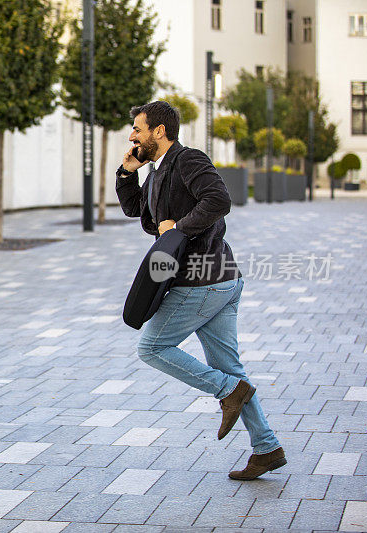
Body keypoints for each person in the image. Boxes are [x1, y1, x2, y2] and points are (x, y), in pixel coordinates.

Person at [115, 101, 285, 480]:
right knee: (230, 368)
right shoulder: (158, 170)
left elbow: (220, 200)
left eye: (138, 129)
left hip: (202, 279)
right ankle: (267, 448)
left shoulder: (189, 160)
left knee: (153, 347)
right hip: (220, 279)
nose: (132, 136)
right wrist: (128, 173)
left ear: (159, 131)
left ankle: (227, 391)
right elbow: (140, 215)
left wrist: (179, 229)